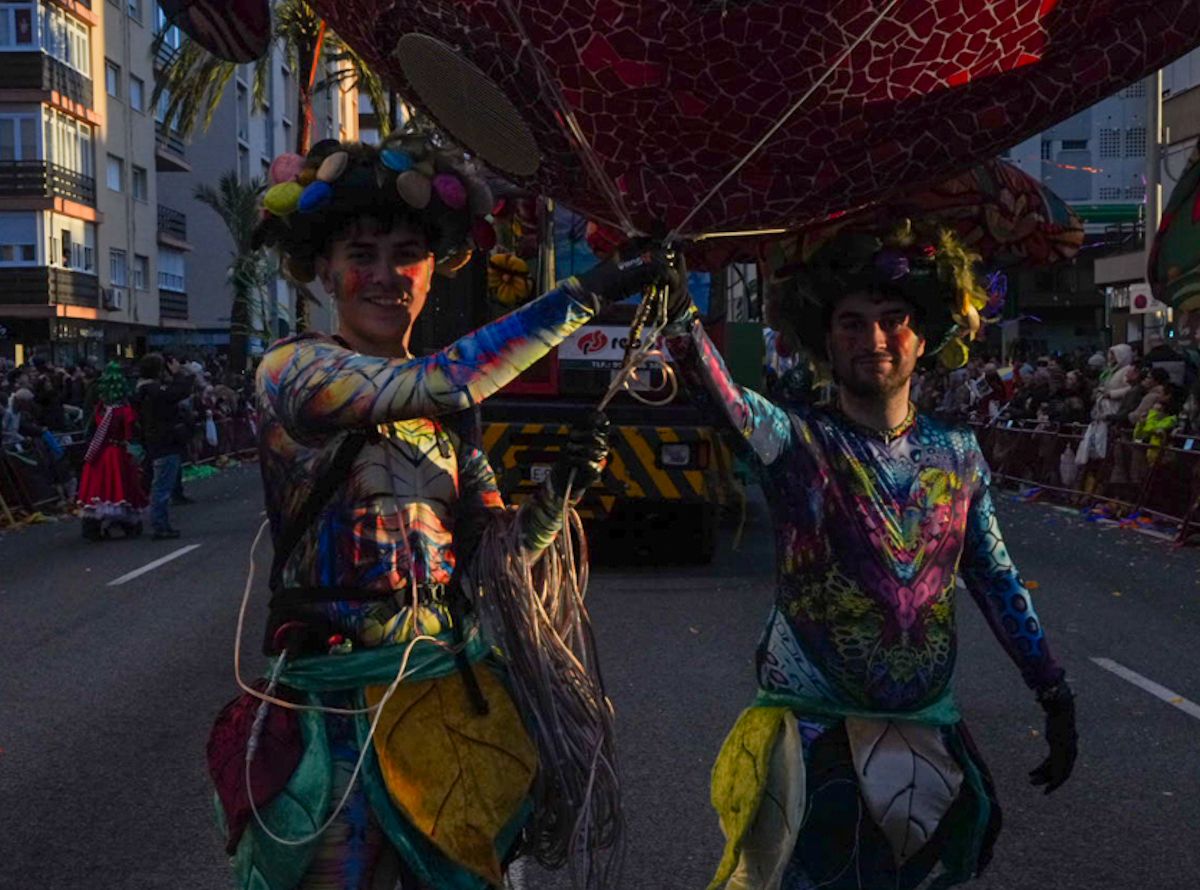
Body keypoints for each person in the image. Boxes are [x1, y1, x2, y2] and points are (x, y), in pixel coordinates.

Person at [207, 134, 668, 890]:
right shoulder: (294, 371)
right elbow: (446, 379)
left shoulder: (448, 417)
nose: (386, 275)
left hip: (448, 702)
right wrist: (588, 294)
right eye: (362, 254)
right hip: (335, 712)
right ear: (324, 269)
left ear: (432, 269)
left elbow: (498, 557)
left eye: (407, 255)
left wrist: (560, 493)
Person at [660, 221, 1077, 889]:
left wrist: (1052, 691)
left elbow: (996, 578)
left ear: (924, 336)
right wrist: (674, 306)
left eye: (892, 321)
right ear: (825, 341)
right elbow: (724, 399)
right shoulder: (796, 442)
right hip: (815, 746)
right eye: (852, 323)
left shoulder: (959, 454)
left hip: (927, 739)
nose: (874, 339)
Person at [77, 362, 147, 539]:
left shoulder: (99, 409)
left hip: (98, 453)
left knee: (96, 490)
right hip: (117, 452)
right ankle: (128, 525)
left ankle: (91, 528)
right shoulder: (124, 410)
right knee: (122, 488)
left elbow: (90, 430)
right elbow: (133, 431)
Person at [132, 353, 194, 539]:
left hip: (155, 441)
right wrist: (178, 374)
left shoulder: (143, 390)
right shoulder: (154, 391)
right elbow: (178, 392)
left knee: (161, 484)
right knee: (162, 486)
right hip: (164, 442)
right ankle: (160, 525)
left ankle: (161, 523)